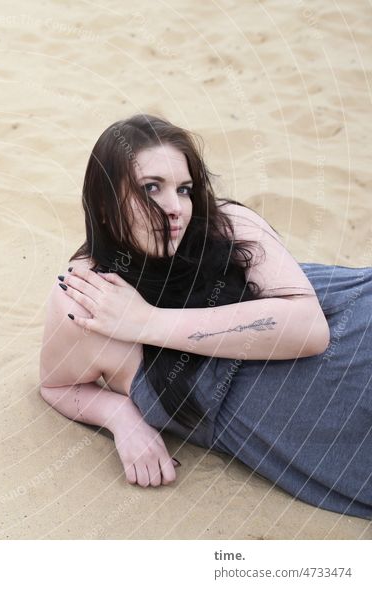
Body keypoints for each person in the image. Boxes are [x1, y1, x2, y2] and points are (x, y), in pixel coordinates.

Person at [39, 113, 372, 520]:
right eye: (151, 189)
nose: (175, 208)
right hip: (333, 434)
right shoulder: (87, 299)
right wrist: (122, 418)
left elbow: (309, 329)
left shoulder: (226, 226)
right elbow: (57, 386)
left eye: (184, 189)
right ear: (105, 205)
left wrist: (145, 322)